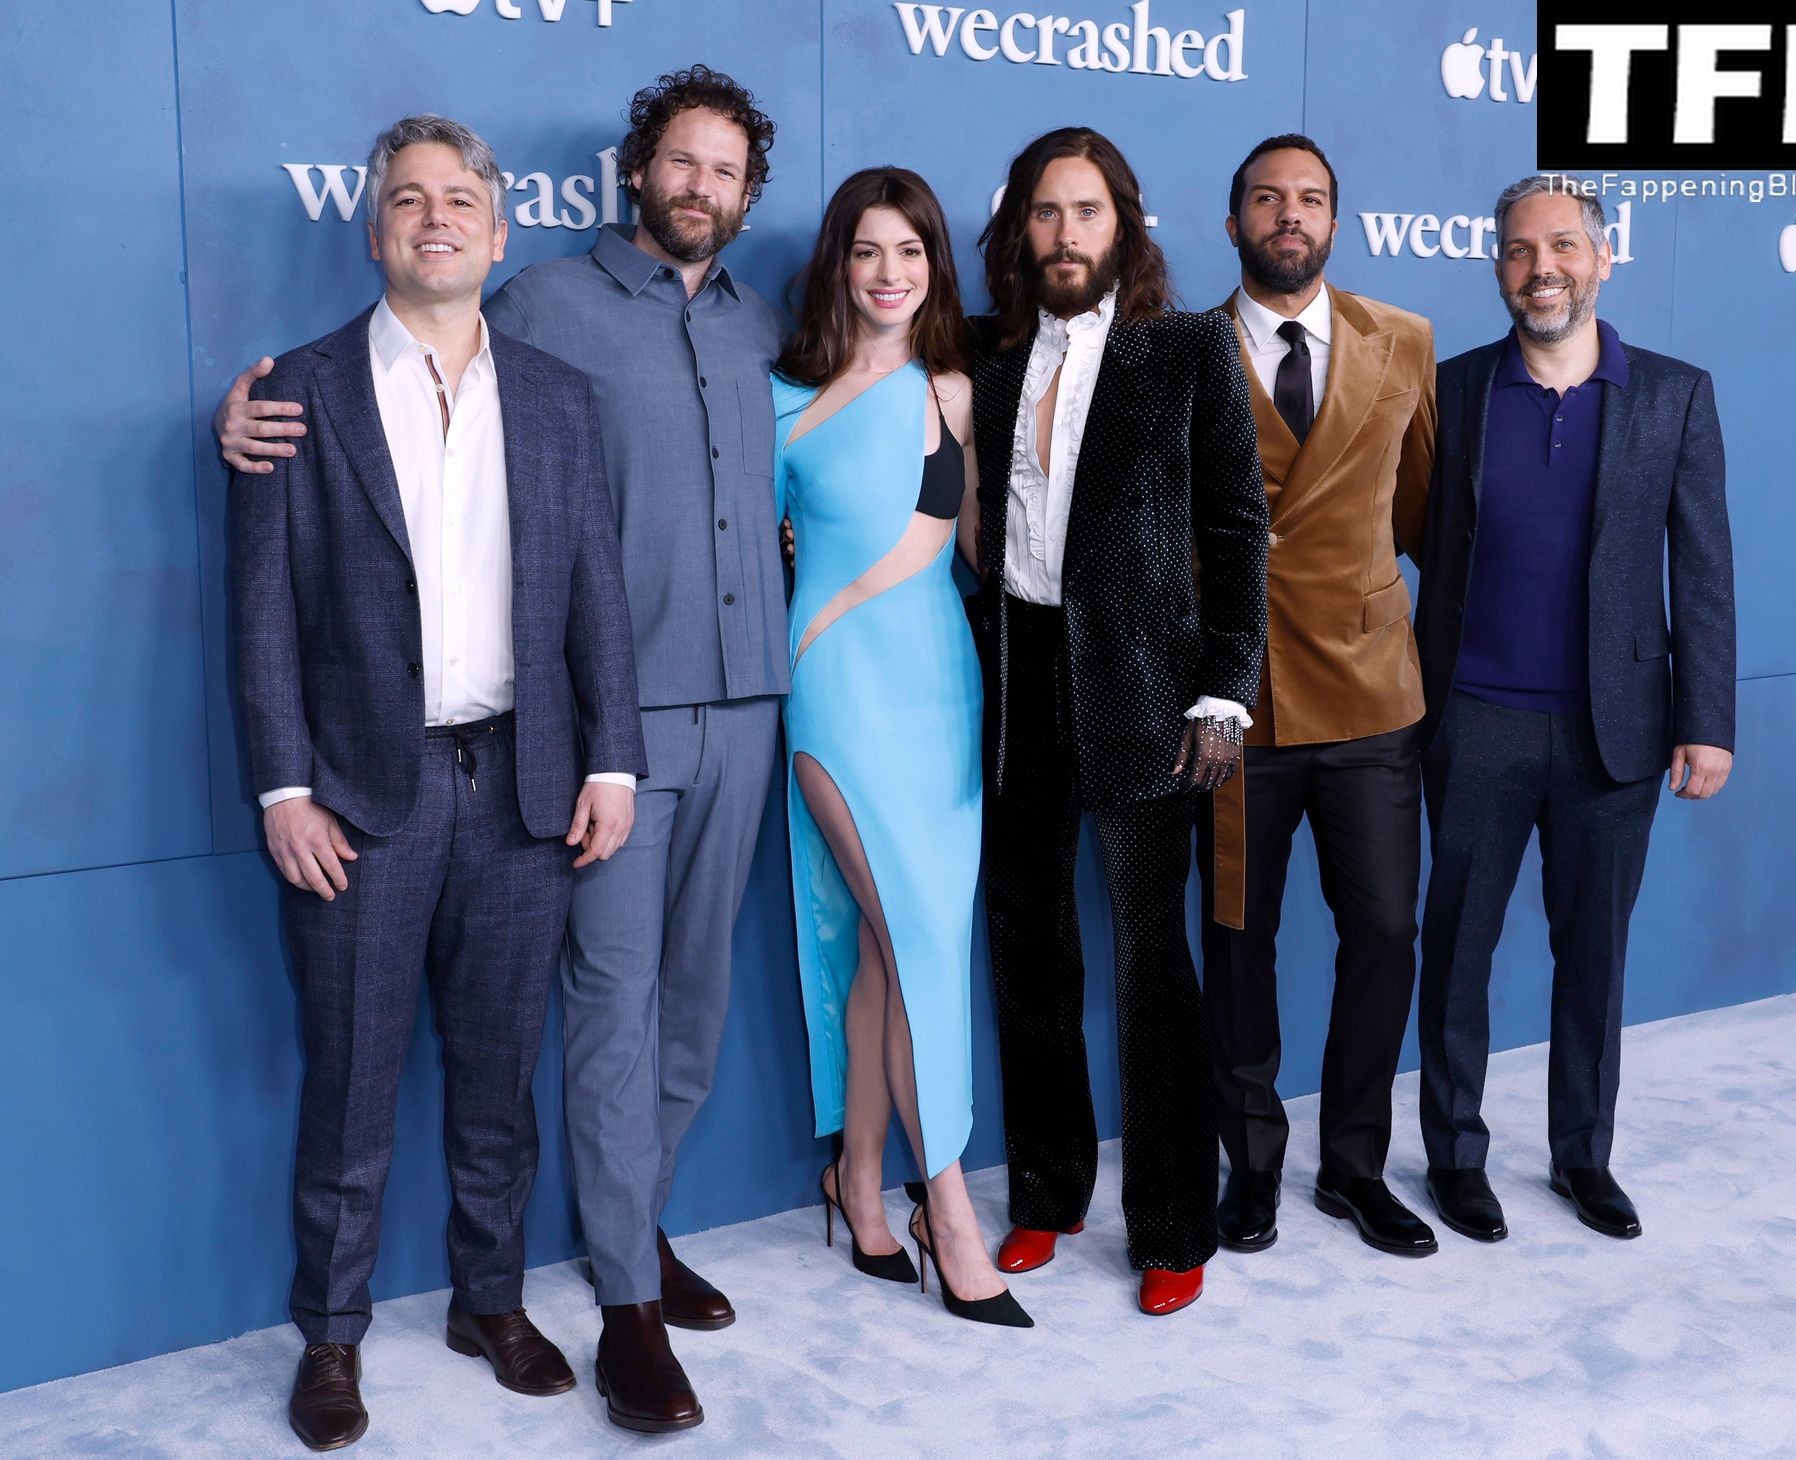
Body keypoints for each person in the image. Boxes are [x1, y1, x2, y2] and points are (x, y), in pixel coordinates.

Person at [217, 67, 784, 1433]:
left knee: (496, 1082)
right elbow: (261, 611)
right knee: (352, 1083)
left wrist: (607, 761)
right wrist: (285, 786)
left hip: (524, 788)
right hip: (364, 796)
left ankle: (491, 1300)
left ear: (498, 229)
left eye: (460, 200)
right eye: (410, 200)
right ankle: (333, 1337)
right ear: (374, 229)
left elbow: (589, 589)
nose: (435, 219)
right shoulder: (297, 393)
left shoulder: (552, 392)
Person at [969, 127, 1269, 1317]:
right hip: (1014, 683)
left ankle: (1174, 1223)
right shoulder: (985, 356)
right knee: (1030, 951)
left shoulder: (1188, 348)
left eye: (1086, 211)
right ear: (1020, 230)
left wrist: (1226, 689)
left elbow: (1239, 528)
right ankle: (1047, 1193)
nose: (1065, 234)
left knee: (1152, 962)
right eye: (1045, 212)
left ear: (1125, 225)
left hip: (1149, 687)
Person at [1414, 173, 1735, 1244]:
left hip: (1619, 728)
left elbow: (1703, 566)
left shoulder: (1675, 394)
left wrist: (1707, 717)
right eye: (1518, 249)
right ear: (1498, 267)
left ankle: (1582, 1155)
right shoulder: (1453, 389)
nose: (1539, 267)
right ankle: (1456, 1156)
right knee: (1456, 949)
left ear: (1603, 258)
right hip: (1473, 717)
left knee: (1594, 953)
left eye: (1561, 246)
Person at [773, 166, 1029, 1328]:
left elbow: (980, 551)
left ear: (935, 266)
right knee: (917, 939)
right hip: (836, 689)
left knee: (893, 942)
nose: (889, 272)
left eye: (911, 251)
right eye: (867, 250)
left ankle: (859, 1178)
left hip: (942, 694)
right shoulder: (780, 401)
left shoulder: (957, 392)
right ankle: (951, 1208)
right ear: (839, 262)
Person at [1195, 135, 1439, 1259]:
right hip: (1234, 706)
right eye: (1266, 198)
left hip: (1371, 693)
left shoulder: (1404, 340)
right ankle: (1251, 1165)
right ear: (1234, 221)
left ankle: (1354, 1168)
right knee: (1238, 937)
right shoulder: (1182, 352)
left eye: (1310, 199)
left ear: (1336, 222)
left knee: (1384, 931)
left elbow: (1421, 508)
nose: (1288, 214)